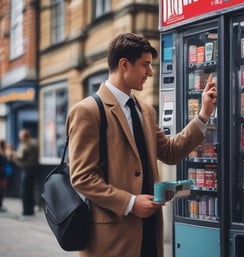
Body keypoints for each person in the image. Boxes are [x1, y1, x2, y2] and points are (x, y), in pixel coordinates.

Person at [66, 32, 217, 257]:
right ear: (124, 64)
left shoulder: (146, 110)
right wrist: (130, 202)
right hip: (113, 238)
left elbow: (170, 151)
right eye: (145, 65)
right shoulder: (87, 111)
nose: (150, 72)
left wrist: (203, 115)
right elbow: (82, 177)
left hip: (148, 231)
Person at [10, 129, 39, 216]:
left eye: (21, 137)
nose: (20, 139)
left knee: (25, 190)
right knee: (29, 190)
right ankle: (30, 210)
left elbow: (21, 156)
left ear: (24, 136)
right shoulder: (34, 142)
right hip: (33, 169)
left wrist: (13, 154)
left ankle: (26, 211)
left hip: (27, 169)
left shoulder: (27, 144)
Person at [0, 139, 10, 212]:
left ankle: (0, 204)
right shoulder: (3, 153)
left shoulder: (4, 153)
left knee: (2, 189)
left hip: (3, 172)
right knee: (2, 189)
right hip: (2, 173)